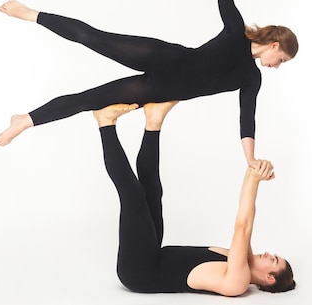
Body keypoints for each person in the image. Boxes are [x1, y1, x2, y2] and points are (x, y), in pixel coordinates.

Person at [0, 0, 298, 168]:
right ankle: (30, 13)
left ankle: (25, 120)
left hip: (159, 89)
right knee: (92, 37)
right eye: (281, 59)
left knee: (88, 100)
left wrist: (250, 159)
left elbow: (247, 119)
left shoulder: (251, 78)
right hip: (162, 57)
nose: (277, 66)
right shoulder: (235, 30)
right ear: (275, 45)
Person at [92, 101, 295, 295]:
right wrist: (251, 172)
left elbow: (242, 227)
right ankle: (153, 121)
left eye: (274, 260)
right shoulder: (239, 258)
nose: (269, 254)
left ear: (270, 278)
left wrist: (254, 180)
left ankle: (105, 123)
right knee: (152, 192)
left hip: (139, 271)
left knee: (134, 197)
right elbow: (245, 218)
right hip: (152, 251)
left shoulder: (237, 281)